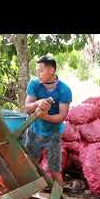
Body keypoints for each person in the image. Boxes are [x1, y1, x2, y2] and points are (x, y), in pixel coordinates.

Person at [24, 56, 72, 186]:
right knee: (29, 163)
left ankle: (60, 197)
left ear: (51, 70)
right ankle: (26, 194)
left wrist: (45, 117)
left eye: (41, 70)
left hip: (54, 134)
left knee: (55, 168)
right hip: (34, 131)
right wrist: (37, 103)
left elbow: (62, 116)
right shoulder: (34, 84)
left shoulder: (64, 90)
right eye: (37, 71)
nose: (38, 74)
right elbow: (27, 108)